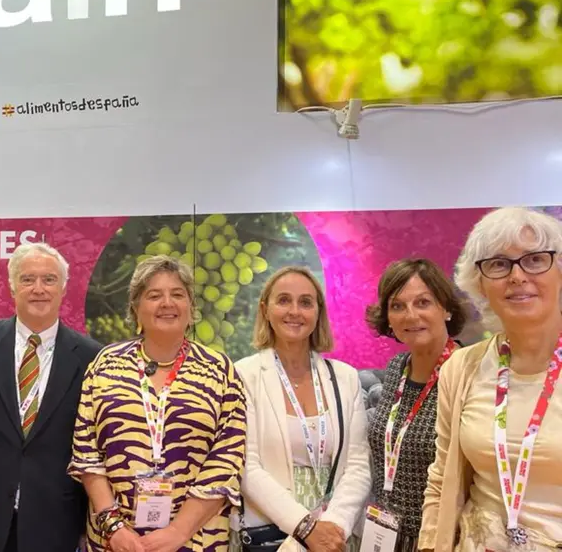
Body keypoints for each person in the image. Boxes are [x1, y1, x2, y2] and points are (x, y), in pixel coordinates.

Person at [70, 255, 247, 552]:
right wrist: (114, 528)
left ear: (191, 308)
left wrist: (178, 532)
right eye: (154, 295)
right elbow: (87, 453)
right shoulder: (105, 364)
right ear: (136, 308)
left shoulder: (220, 371)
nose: (167, 303)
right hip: (114, 542)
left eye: (178, 294)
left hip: (196, 540)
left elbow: (227, 461)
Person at [420, 207, 562, 551]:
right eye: (498, 264)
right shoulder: (461, 368)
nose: (517, 276)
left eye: (535, 259)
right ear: (480, 282)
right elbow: (441, 479)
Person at [0, 242, 102, 552]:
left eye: (49, 279)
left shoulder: (90, 356)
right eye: (28, 279)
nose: (38, 289)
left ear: (63, 288)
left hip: (53, 522)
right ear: (12, 286)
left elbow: (89, 446)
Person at [235, 266, 371, 552]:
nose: (294, 311)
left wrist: (333, 527)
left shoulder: (345, 378)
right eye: (283, 300)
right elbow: (247, 466)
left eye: (305, 302)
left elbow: (358, 465)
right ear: (265, 309)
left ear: (318, 312)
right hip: (273, 535)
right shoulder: (244, 375)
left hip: (336, 537)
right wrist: (306, 528)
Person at [362, 259, 467, 552]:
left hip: (440, 540)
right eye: (397, 306)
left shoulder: (466, 373)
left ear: (445, 308)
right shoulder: (397, 367)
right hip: (383, 535)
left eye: (423, 302)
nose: (410, 316)